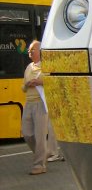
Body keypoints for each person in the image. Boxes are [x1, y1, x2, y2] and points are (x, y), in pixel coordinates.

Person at [21, 40, 63, 174]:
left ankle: (39, 165)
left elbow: (55, 81)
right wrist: (27, 85)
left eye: (32, 50)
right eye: (29, 50)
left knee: (40, 135)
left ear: (40, 51)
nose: (29, 52)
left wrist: (40, 81)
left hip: (41, 103)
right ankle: (42, 154)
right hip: (29, 103)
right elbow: (23, 87)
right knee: (27, 133)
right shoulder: (29, 67)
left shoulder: (47, 66)